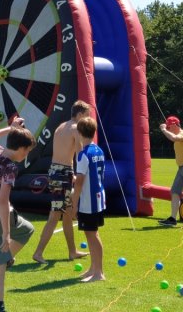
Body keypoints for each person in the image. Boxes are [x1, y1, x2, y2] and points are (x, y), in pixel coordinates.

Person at [0, 116, 36, 312]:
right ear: (20, 148)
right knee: (28, 229)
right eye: (27, 151)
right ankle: (8, 256)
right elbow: (3, 202)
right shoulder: (11, 167)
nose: (26, 154)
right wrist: (6, 233)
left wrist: (9, 128)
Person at [33, 100, 90, 264]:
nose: (87, 120)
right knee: (55, 215)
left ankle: (72, 252)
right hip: (62, 174)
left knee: (66, 215)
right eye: (86, 116)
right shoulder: (75, 129)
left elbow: (62, 153)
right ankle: (38, 253)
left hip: (57, 172)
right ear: (79, 115)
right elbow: (80, 154)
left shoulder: (61, 126)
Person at [71, 117, 106, 282]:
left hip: (88, 201)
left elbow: (79, 183)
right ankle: (93, 268)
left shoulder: (83, 155)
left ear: (79, 133)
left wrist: (73, 205)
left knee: (92, 235)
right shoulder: (99, 150)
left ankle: (98, 272)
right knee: (92, 233)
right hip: (98, 198)